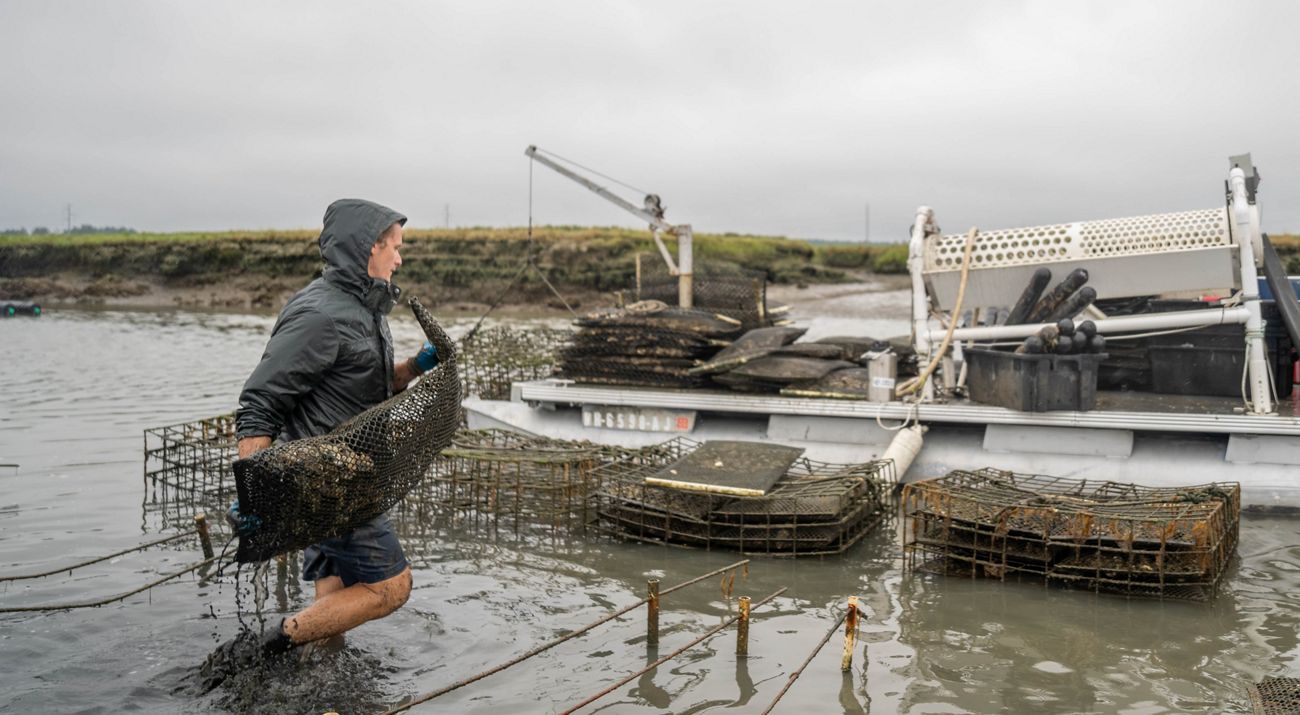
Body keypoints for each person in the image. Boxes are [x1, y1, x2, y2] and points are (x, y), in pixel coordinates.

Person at [229, 198, 439, 658]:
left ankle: (323, 681)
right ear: (368, 248)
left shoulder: (368, 311)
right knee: (392, 586)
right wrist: (254, 489)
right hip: (331, 483)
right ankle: (266, 648)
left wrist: (418, 365)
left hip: (349, 472)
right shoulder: (319, 314)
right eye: (395, 248)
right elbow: (261, 402)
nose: (400, 258)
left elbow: (374, 385)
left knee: (335, 590)